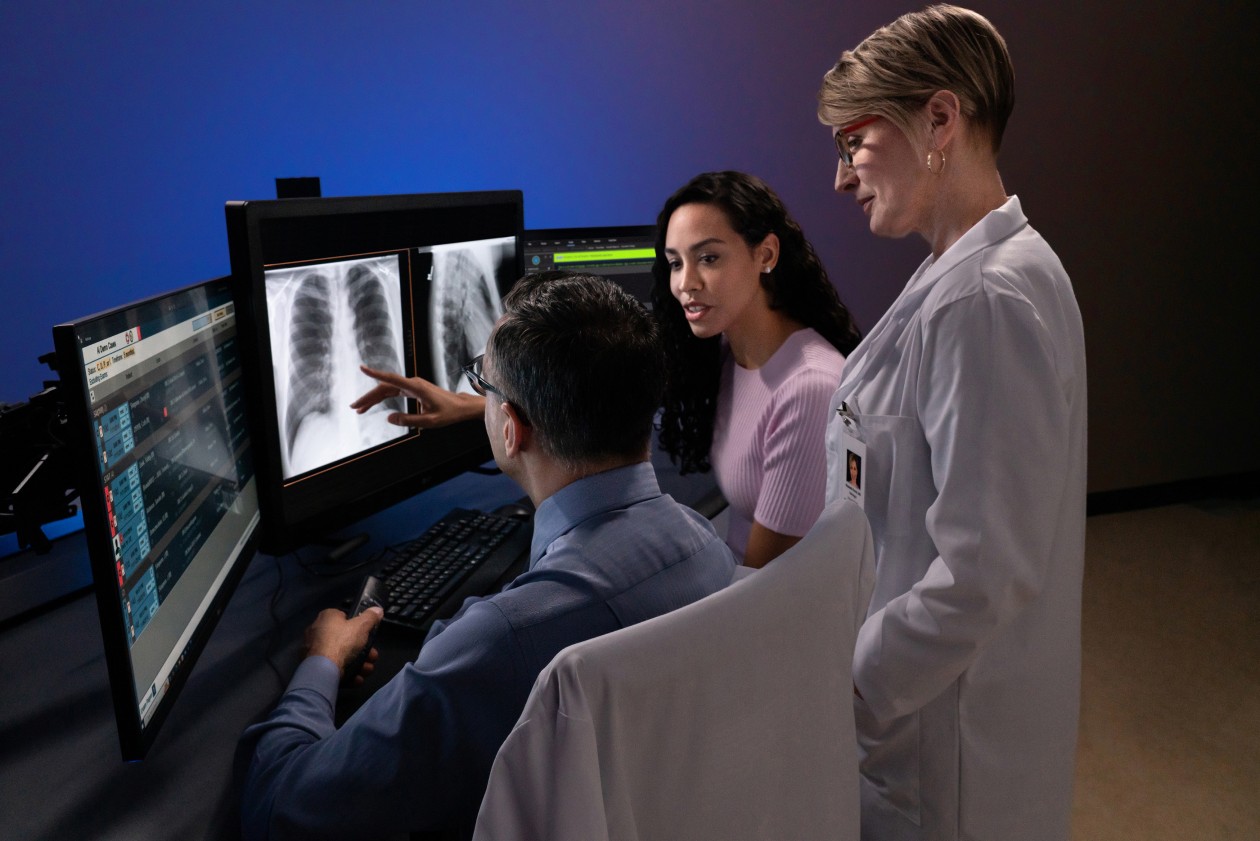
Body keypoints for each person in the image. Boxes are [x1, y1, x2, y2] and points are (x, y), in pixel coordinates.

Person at [238, 272, 736, 841]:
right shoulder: (704, 545)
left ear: (511, 428)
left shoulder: (506, 639)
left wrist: (321, 662)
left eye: (484, 386)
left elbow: (283, 808)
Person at [816, 6, 1087, 841]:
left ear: (939, 118)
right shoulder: (968, 272)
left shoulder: (986, 299)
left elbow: (983, 568)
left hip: (937, 744)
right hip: (922, 715)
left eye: (853, 142)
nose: (842, 176)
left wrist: (851, 686)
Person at [653, 171, 862, 567]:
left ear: (765, 254)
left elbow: (765, 592)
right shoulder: (730, 348)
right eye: (675, 263)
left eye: (708, 258)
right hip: (736, 586)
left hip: (768, 614)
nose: (685, 283)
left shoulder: (809, 389)